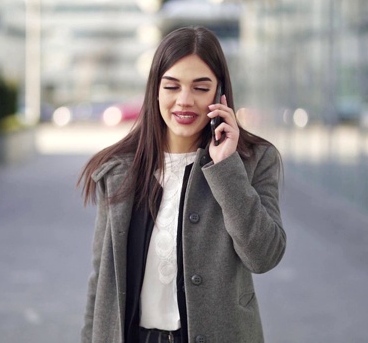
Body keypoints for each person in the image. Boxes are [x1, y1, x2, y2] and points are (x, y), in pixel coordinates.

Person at [78, 26, 286, 343]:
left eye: (201, 88)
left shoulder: (253, 159)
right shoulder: (119, 169)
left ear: (220, 95)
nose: (184, 101)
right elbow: (100, 280)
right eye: (172, 86)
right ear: (156, 91)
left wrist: (226, 167)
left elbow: (263, 256)